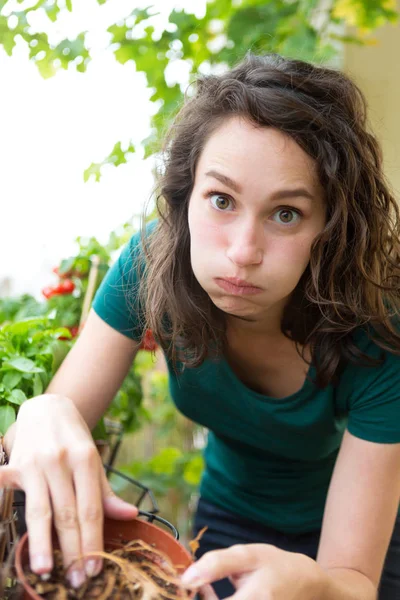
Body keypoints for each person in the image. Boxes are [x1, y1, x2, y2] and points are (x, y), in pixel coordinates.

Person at [1, 52, 400, 600]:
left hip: (360, 542)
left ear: (331, 227)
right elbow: (55, 420)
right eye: (221, 199)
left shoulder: (379, 333)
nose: (242, 253)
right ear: (185, 196)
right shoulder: (150, 268)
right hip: (228, 514)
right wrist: (41, 412)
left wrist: (319, 585)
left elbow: (352, 581)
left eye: (286, 213)